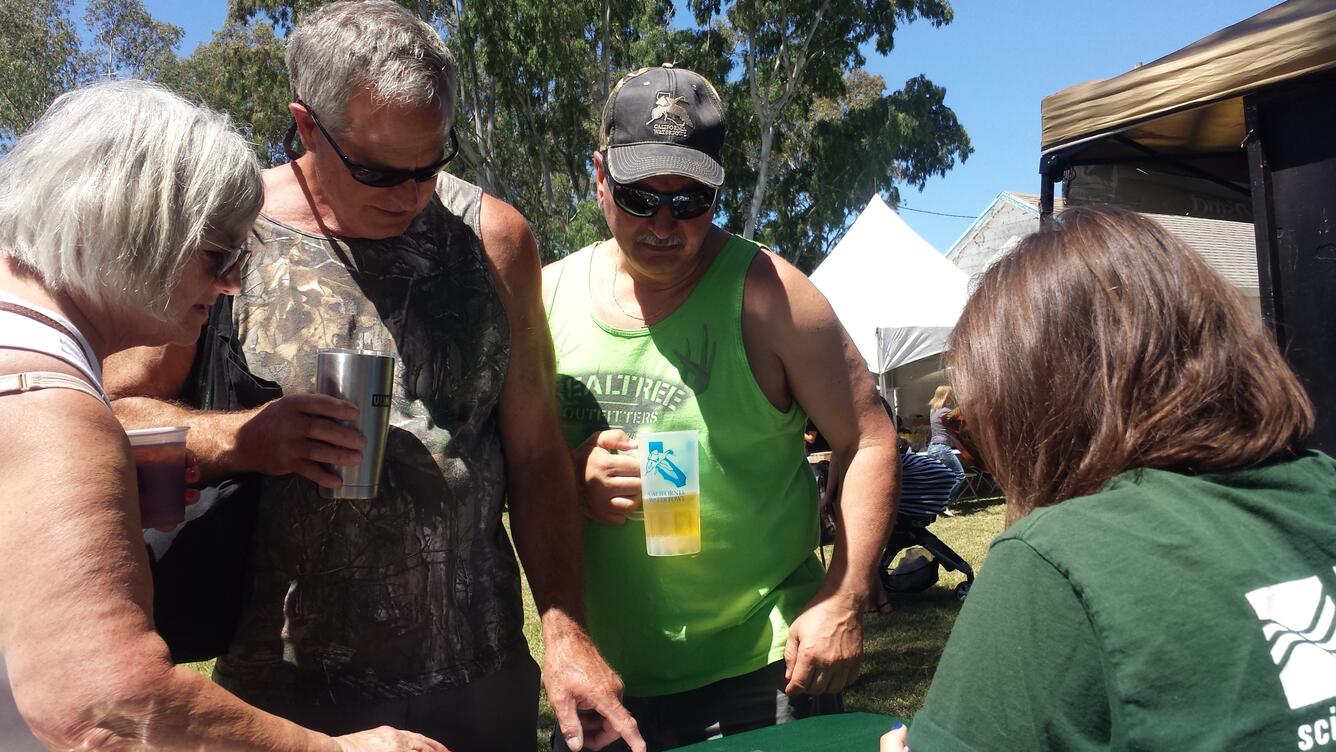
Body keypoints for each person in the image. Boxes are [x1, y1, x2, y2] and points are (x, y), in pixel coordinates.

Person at [101, 4, 641, 751]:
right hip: (283, 699)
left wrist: (567, 635)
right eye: (381, 171)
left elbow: (538, 454)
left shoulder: (495, 240)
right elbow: (109, 413)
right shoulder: (230, 233)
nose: (411, 193)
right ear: (306, 126)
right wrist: (243, 440)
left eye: (432, 163)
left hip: (478, 682)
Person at [0, 80, 445, 752]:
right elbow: (105, 705)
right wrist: (337, 750)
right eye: (218, 256)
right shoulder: (48, 402)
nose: (232, 283)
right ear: (128, 224)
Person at [883, 208, 1335, 751]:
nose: (976, 444)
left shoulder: (1054, 562)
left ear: (1035, 403)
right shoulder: (1321, 487)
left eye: (974, 422)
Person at [544, 64, 898, 750]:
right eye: (640, 197)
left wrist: (844, 598)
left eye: (693, 199)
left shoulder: (770, 293)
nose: (666, 224)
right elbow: (502, 467)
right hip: (605, 673)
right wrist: (569, 477)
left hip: (765, 668)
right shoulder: (544, 298)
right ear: (599, 176)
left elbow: (871, 439)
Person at [924, 386, 964, 493]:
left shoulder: (933, 411)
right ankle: (944, 501)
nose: (952, 397)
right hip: (942, 448)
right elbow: (959, 420)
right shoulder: (945, 412)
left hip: (932, 448)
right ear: (946, 397)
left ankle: (936, 502)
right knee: (960, 475)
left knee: (938, 479)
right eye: (950, 395)